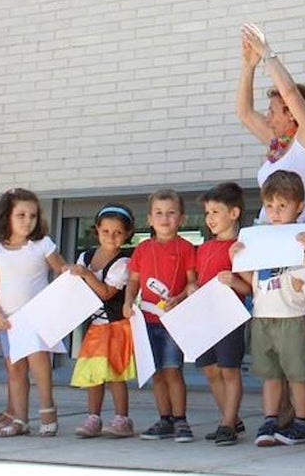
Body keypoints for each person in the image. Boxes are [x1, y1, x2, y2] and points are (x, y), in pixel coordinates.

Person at [231, 170, 305, 447]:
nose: (275, 212)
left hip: (292, 315)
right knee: (270, 374)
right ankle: (271, 419)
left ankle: (303, 421)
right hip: (262, 315)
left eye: (283, 206)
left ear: (300, 206)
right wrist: (237, 261)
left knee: (298, 374)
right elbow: (257, 282)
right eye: (270, 206)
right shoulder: (260, 237)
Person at [0, 188, 68, 438]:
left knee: (40, 367)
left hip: (37, 318)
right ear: (6, 216)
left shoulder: (42, 245)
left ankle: (48, 411)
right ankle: (19, 419)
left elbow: (61, 269)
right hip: (9, 322)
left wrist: (71, 271)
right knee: (15, 371)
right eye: (21, 215)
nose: (28, 221)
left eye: (33, 215)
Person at [237, 22, 305, 224]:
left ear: (292, 114)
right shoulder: (277, 141)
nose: (267, 117)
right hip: (268, 232)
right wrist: (248, 66)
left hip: (300, 236)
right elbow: (245, 113)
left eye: (272, 110)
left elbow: (289, 92)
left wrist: (266, 52)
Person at [122, 189, 197, 443]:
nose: (165, 218)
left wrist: (181, 298)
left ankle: (181, 420)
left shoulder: (187, 248)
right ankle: (164, 419)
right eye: (159, 213)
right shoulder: (142, 249)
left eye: (171, 213)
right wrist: (128, 301)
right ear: (150, 219)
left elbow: (192, 283)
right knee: (156, 372)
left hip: (173, 321)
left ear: (182, 218)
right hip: (147, 320)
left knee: (173, 370)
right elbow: (133, 281)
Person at [69, 203, 137, 439]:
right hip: (95, 327)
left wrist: (86, 274)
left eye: (118, 232)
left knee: (114, 374)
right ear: (97, 229)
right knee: (93, 374)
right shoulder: (85, 256)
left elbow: (107, 293)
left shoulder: (123, 262)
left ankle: (122, 418)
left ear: (127, 234)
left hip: (116, 326)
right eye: (106, 231)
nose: (111, 236)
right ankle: (93, 417)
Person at [194, 183, 252, 446]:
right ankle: (231, 418)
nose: (211, 218)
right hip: (205, 316)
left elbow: (249, 288)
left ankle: (227, 423)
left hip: (230, 317)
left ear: (234, 213)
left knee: (229, 370)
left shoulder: (240, 247)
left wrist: (234, 282)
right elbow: (196, 280)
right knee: (210, 369)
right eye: (208, 213)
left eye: (216, 212)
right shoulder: (203, 248)